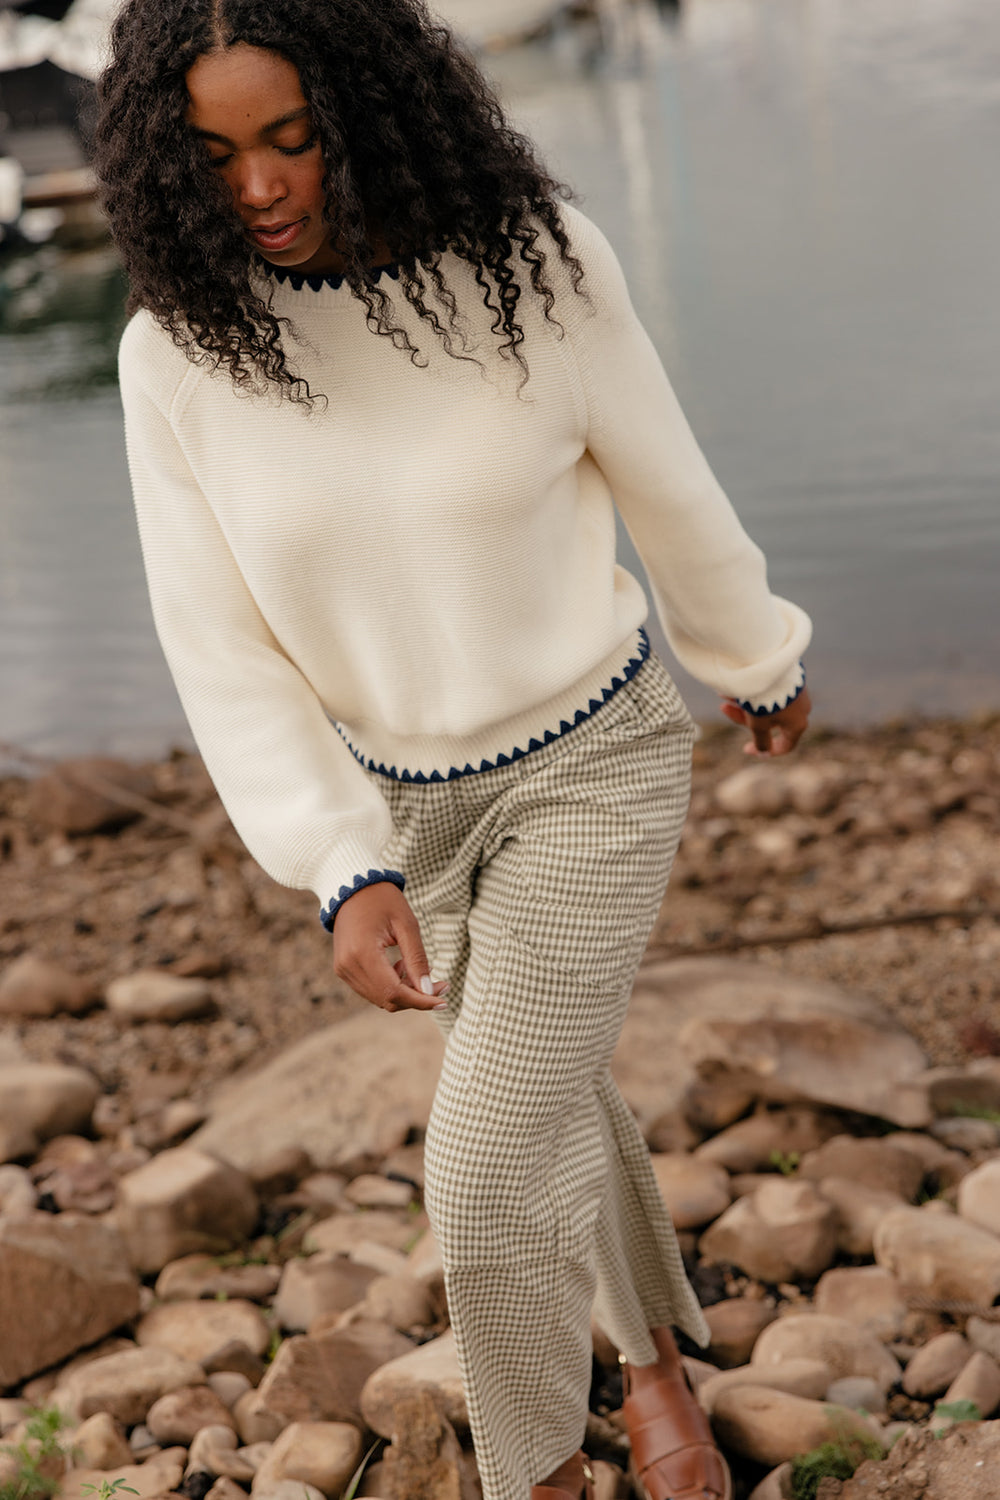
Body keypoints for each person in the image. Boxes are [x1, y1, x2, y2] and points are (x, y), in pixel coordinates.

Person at [95, 2, 811, 1496]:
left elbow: (667, 481)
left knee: (483, 1159)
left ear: (367, 111)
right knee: (548, 1090)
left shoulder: (532, 266)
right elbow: (219, 648)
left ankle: (537, 1471)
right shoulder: (174, 360)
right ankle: (655, 1366)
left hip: (590, 762)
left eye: (293, 138)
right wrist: (339, 864)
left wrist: (751, 654)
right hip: (399, 812)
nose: (261, 186)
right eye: (215, 156)